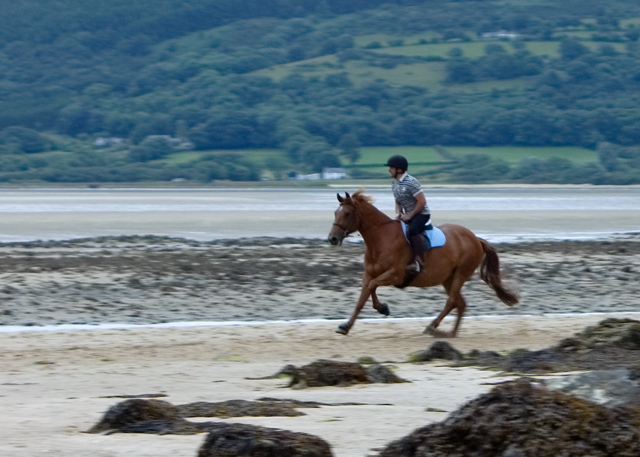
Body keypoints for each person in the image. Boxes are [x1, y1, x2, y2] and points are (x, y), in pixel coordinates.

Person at [386, 154, 431, 273]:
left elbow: (422, 202)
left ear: (399, 169)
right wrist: (399, 214)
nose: (389, 170)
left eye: (391, 167)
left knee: (412, 230)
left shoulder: (411, 182)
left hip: (421, 214)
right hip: (407, 215)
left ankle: (419, 261)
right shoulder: (395, 185)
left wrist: (411, 215)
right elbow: (398, 202)